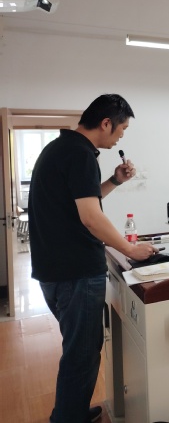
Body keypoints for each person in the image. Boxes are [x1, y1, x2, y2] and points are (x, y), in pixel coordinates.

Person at [28, 94, 155, 423]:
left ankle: (71, 412)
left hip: (55, 270)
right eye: (122, 129)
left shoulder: (61, 148)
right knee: (81, 355)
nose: (121, 136)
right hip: (76, 272)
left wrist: (115, 181)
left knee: (78, 350)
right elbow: (91, 217)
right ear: (106, 123)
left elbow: (83, 201)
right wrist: (130, 250)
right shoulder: (81, 154)